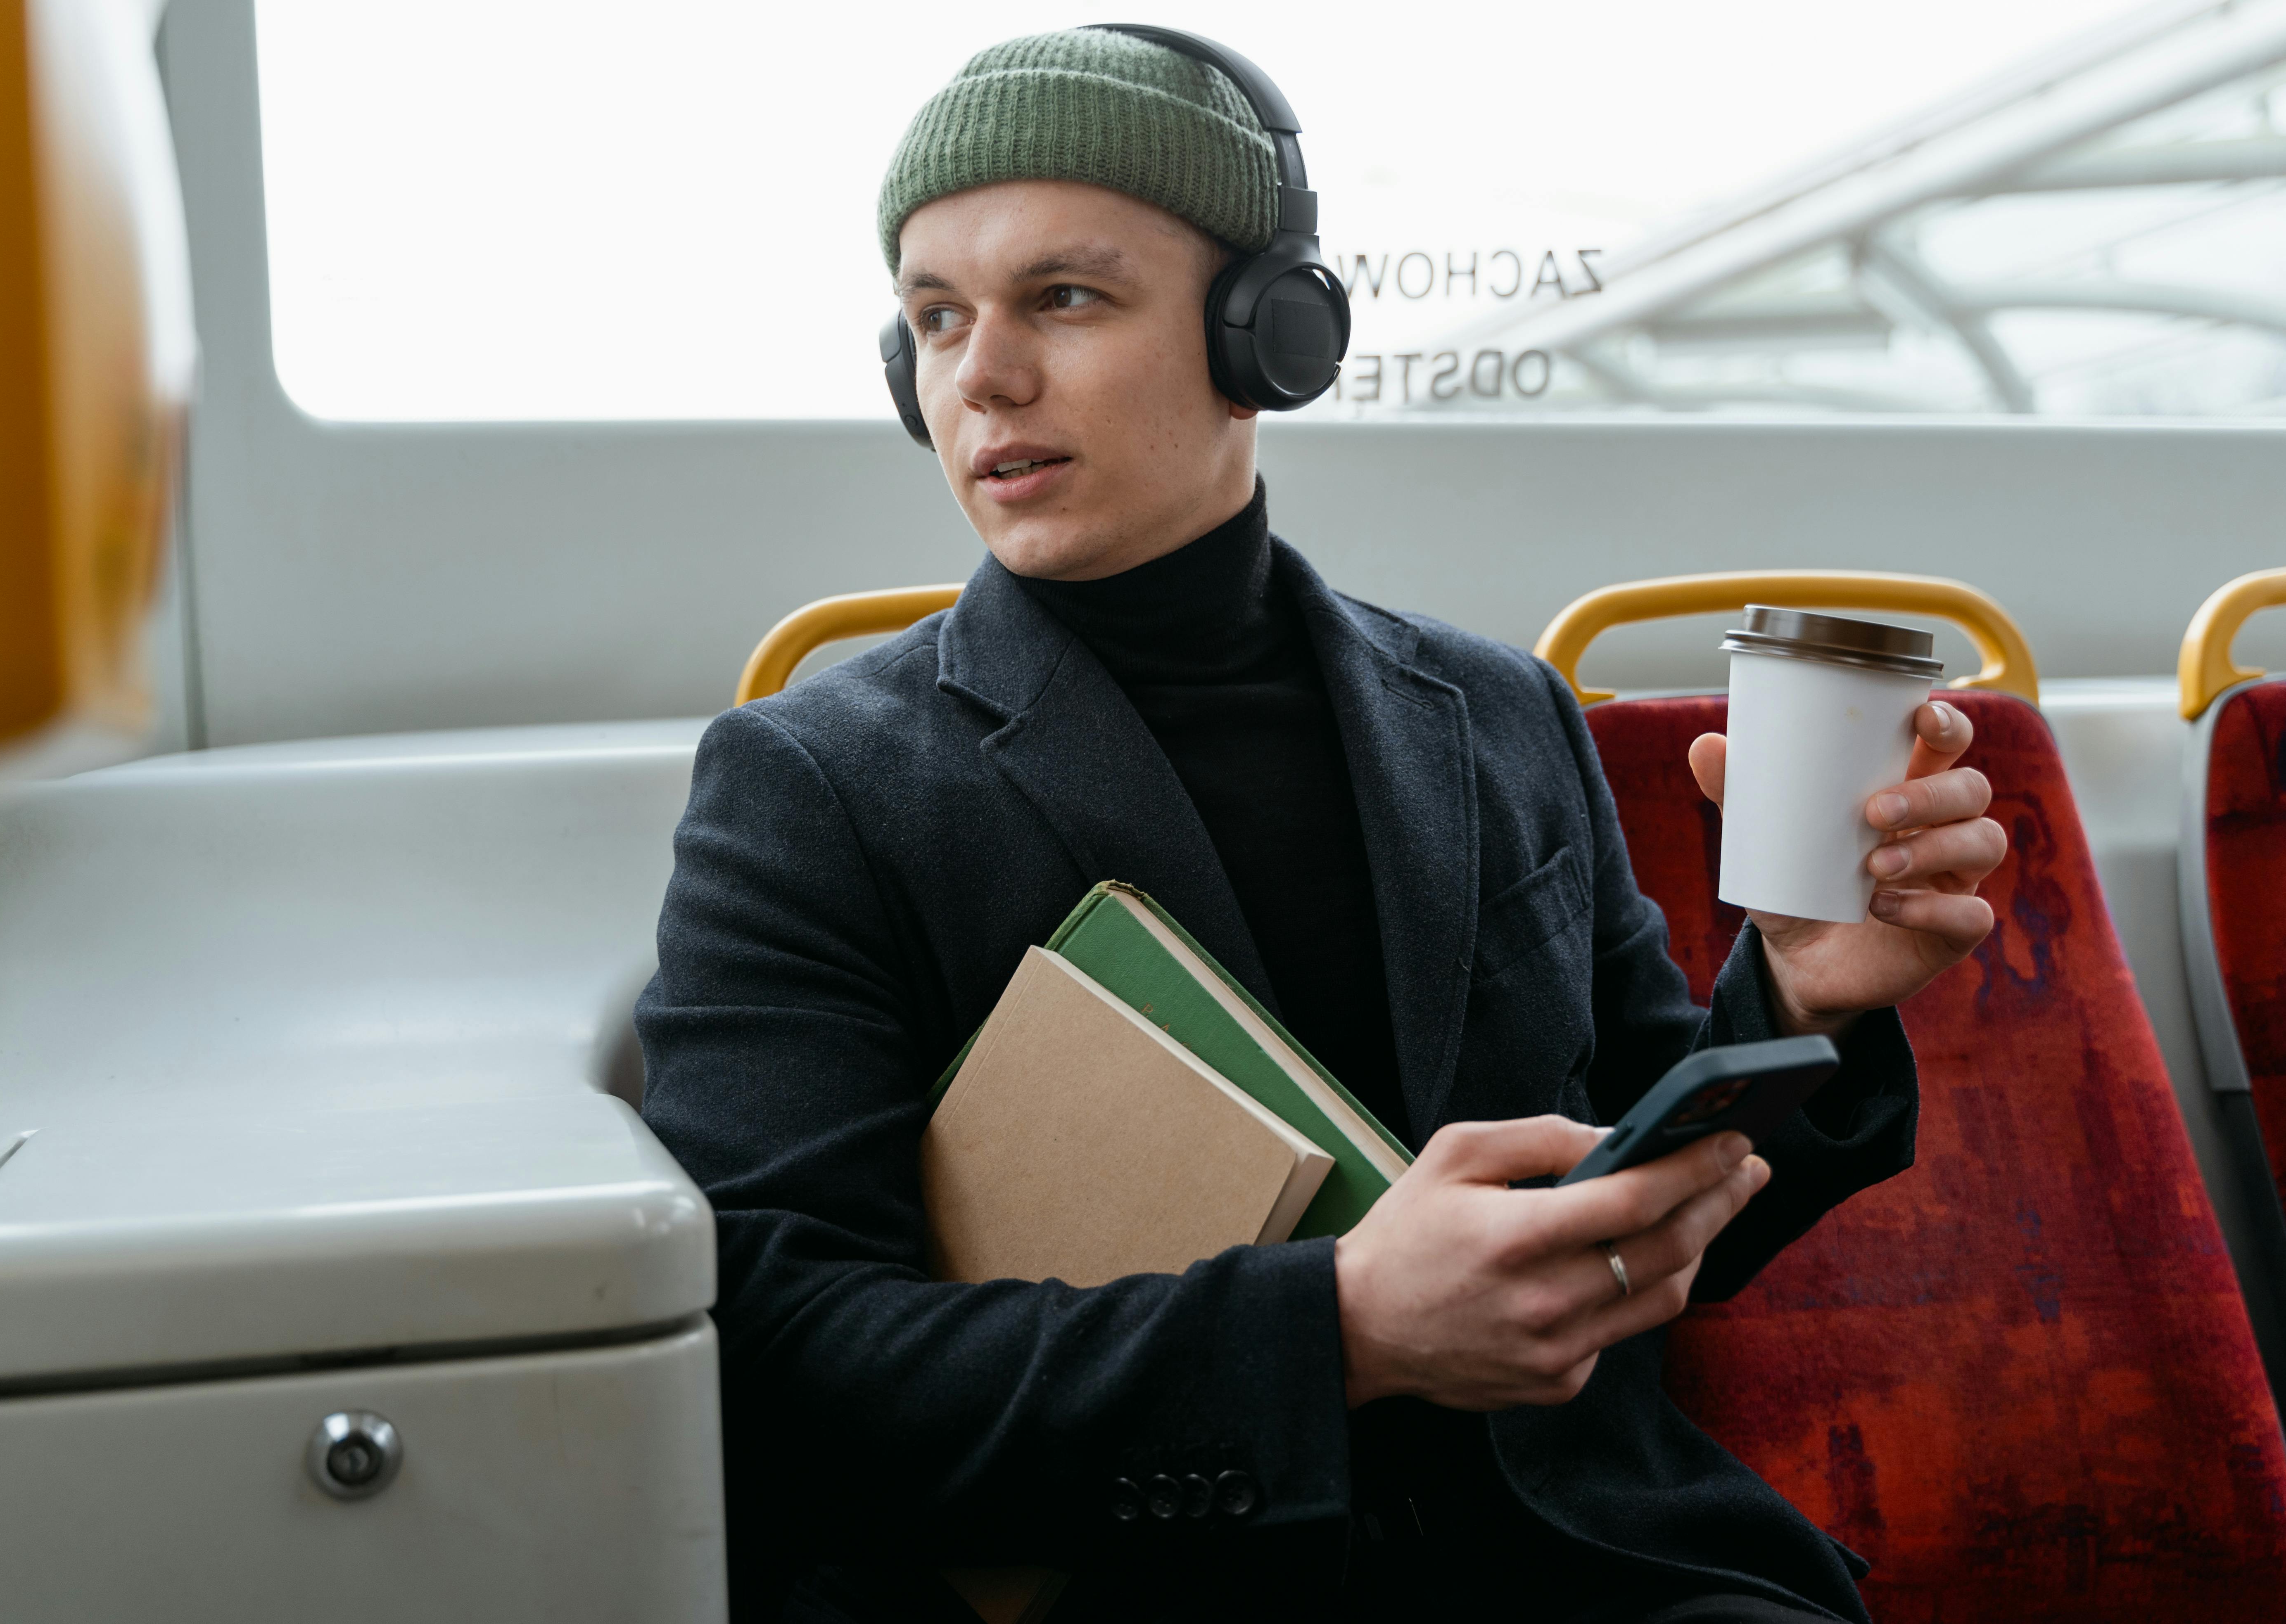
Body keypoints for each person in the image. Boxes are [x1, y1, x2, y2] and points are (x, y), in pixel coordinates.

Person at [637, 28, 2004, 1624]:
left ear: (1265, 336)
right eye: (934, 320)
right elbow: (788, 1364)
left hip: (1592, 1564)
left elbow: (1644, 1202)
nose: (978, 377)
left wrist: (1797, 1006)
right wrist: (1338, 1330)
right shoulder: (811, 787)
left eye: (1060, 299)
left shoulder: (1495, 714)